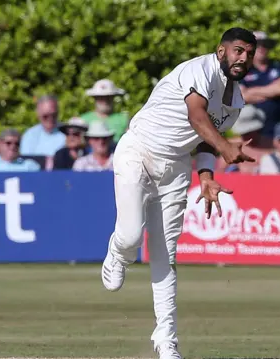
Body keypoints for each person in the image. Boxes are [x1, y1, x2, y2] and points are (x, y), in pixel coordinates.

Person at [100, 27, 256, 359]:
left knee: (165, 256)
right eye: (238, 51)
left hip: (174, 169)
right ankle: (118, 251)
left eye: (249, 53)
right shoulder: (199, 70)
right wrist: (226, 148)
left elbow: (202, 141)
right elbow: (197, 116)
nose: (244, 58)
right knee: (130, 236)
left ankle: (166, 340)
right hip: (138, 150)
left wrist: (207, 175)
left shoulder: (236, 101)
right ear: (221, 51)